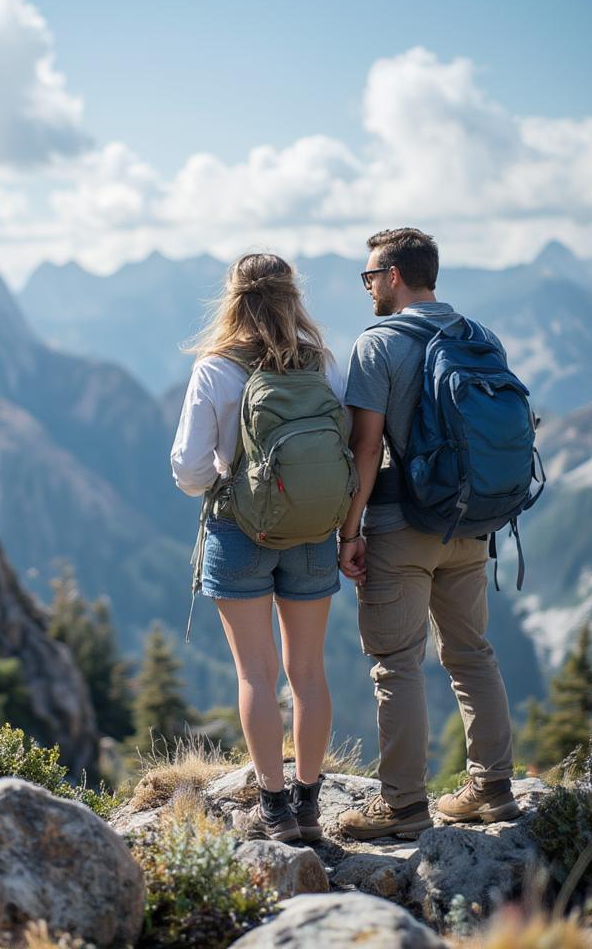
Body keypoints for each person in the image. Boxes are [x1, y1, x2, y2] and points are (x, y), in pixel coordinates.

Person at [337, 227, 522, 841]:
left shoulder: (377, 344)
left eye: (369, 277)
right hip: (471, 520)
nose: (366, 288)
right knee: (472, 654)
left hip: (401, 524)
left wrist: (349, 530)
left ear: (393, 276)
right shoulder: (477, 335)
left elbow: (366, 448)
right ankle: (493, 789)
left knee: (397, 664)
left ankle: (404, 804)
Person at [170, 252, 348, 843]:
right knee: (309, 674)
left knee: (256, 675)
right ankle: (310, 804)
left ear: (233, 299)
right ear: (292, 297)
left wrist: (227, 474)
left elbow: (190, 469)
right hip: (314, 530)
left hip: (239, 531)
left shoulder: (216, 368)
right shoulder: (320, 361)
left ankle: (274, 812)